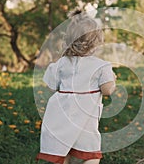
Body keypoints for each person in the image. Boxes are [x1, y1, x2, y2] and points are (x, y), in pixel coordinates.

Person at [36, 9, 116, 164]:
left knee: (63, 149)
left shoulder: (60, 64)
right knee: (90, 153)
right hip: (85, 117)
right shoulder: (102, 66)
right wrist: (112, 79)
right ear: (97, 42)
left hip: (61, 114)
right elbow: (107, 90)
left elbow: (51, 86)